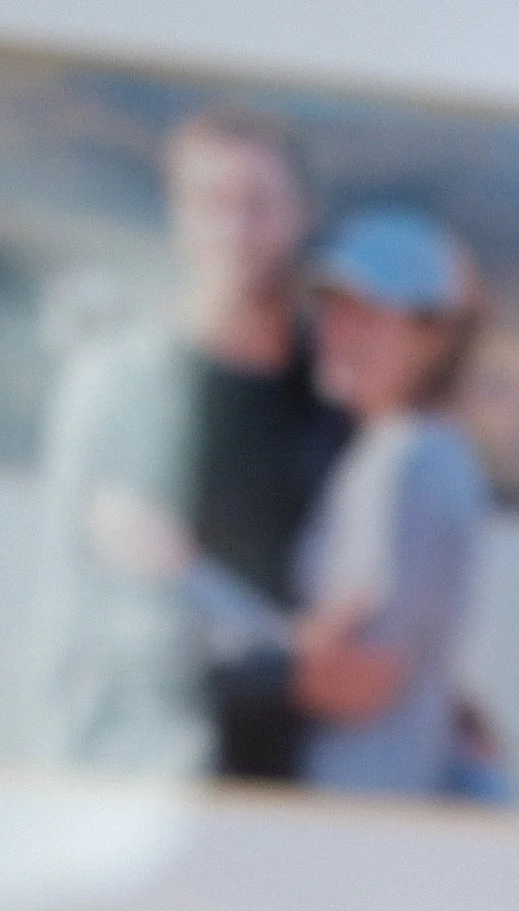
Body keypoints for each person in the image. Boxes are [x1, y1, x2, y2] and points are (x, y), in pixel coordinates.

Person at [35, 107, 349, 778]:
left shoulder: (335, 401)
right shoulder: (115, 388)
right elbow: (84, 595)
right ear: (177, 213)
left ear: (302, 215)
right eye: (212, 202)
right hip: (146, 767)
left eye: (259, 204)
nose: (235, 229)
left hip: (305, 778)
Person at [277, 207, 499, 797]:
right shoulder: (397, 451)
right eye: (331, 309)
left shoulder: (410, 460)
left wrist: (185, 581)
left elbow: (363, 679)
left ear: (434, 338)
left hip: (363, 801)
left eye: (368, 315)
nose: (337, 332)